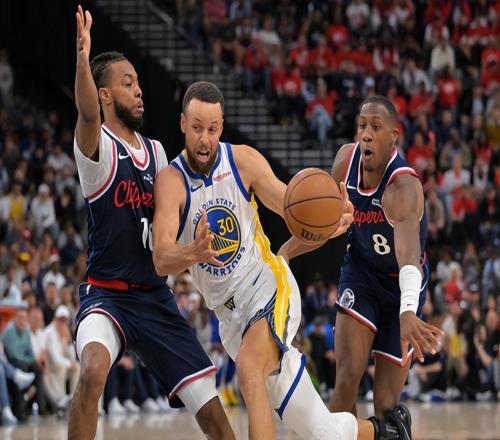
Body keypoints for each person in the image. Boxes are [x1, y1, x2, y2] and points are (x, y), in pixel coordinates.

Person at [152, 81, 413, 440]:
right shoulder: (171, 182)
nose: (204, 139)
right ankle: (390, 432)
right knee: (323, 431)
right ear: (183, 123)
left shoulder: (242, 161)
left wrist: (331, 218)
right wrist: (191, 253)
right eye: (197, 128)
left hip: (266, 285)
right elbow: (161, 258)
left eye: (212, 129)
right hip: (230, 319)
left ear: (222, 126)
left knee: (249, 369)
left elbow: (291, 205)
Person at [68, 7, 234, 440]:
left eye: (138, 82)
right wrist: (83, 61)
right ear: (105, 95)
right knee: (92, 370)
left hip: (155, 298)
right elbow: (87, 113)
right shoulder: (98, 148)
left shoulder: (158, 153)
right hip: (107, 295)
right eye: (128, 83)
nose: (139, 90)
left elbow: (169, 231)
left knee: (214, 416)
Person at [280, 95, 444, 422]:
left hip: (401, 286)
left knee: (385, 407)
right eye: (362, 126)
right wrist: (284, 253)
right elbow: (326, 224)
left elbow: (409, 256)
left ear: (393, 136)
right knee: (344, 386)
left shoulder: (404, 186)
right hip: (362, 274)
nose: (366, 134)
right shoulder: (345, 162)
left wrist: (408, 311)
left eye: (376, 127)